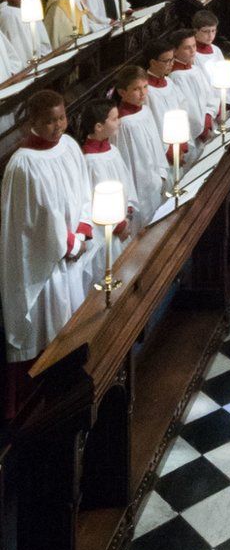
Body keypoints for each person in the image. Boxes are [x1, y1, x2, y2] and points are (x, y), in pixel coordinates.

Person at [0, 91, 93, 374]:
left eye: (62, 117)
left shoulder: (69, 146)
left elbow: (83, 190)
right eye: (50, 121)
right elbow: (34, 221)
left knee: (77, 319)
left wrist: (82, 231)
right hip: (49, 262)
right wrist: (71, 244)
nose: (59, 126)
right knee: (55, 325)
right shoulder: (23, 164)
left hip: (74, 247)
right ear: (34, 121)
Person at [78, 99, 136, 270]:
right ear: (98, 127)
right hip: (107, 232)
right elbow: (97, 199)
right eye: (114, 119)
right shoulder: (90, 161)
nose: (119, 122)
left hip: (123, 222)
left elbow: (126, 182)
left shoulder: (112, 150)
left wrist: (129, 210)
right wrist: (120, 225)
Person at [114, 65, 167, 229]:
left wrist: (161, 172)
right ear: (122, 92)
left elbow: (156, 145)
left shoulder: (145, 111)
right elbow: (126, 161)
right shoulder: (123, 123)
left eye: (145, 87)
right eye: (136, 89)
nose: (143, 93)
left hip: (154, 179)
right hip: (139, 185)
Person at [0, 0, 51, 71]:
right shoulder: (5, 11)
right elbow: (13, 48)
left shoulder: (30, 3)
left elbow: (42, 39)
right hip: (21, 71)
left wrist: (42, 58)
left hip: (38, 65)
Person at [191, 10, 226, 80]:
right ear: (195, 31)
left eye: (213, 31)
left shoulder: (216, 50)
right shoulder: (192, 55)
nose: (210, 35)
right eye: (206, 31)